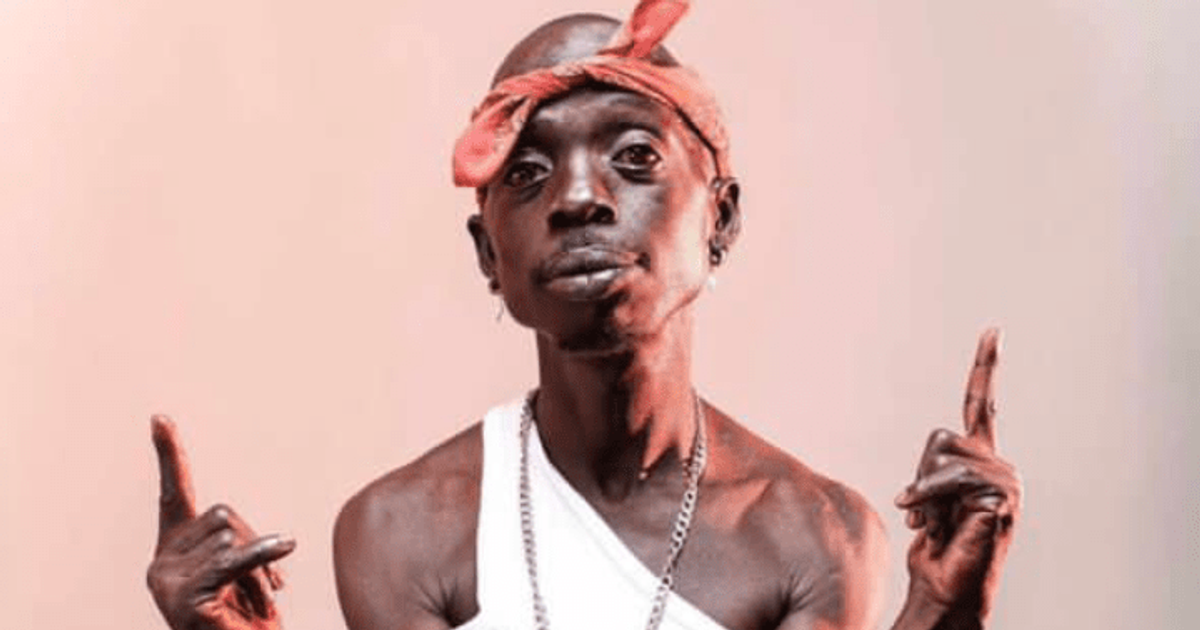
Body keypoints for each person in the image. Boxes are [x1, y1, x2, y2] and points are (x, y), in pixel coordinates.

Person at [146, 2, 1021, 629]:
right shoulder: (403, 530)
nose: (577, 198)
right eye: (527, 174)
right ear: (488, 256)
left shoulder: (813, 534)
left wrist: (943, 616)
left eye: (634, 156)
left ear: (721, 219)